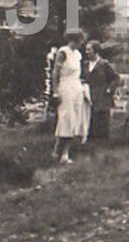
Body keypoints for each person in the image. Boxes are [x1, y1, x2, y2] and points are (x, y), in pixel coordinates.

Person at [50, 31, 90, 163]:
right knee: (66, 118)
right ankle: (58, 152)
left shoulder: (78, 54)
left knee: (76, 120)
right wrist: (55, 91)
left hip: (76, 88)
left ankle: (65, 153)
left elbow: (78, 74)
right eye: (80, 41)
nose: (81, 44)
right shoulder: (63, 52)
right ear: (74, 40)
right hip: (65, 87)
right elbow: (56, 73)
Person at [82, 40, 120, 144]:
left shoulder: (104, 64)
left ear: (96, 51)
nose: (87, 52)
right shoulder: (85, 64)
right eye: (86, 50)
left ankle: (103, 143)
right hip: (89, 95)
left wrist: (109, 89)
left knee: (102, 118)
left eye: (89, 49)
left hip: (102, 95)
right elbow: (83, 78)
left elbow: (116, 78)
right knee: (90, 118)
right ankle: (90, 141)